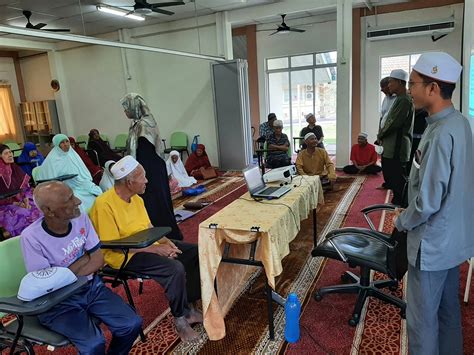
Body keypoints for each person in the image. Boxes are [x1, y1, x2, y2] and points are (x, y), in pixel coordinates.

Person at [393, 52, 473, 355]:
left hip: (432, 243)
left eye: (413, 84)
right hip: (454, 241)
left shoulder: (440, 134)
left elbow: (427, 202)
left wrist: (401, 222)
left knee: (422, 321)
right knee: (448, 312)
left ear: (433, 88)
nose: (409, 90)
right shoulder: (460, 123)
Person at [20, 181, 142, 354]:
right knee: (94, 344)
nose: (77, 201)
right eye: (69, 199)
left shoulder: (80, 217)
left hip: (91, 288)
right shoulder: (31, 238)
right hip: (59, 303)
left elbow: (98, 259)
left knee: (131, 323)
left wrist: (63, 273)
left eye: (73, 195)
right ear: (49, 211)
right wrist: (85, 258)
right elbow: (47, 286)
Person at [89, 156, 202, 342]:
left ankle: (189, 307)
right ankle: (180, 318)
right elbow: (113, 247)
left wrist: (166, 242)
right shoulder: (104, 205)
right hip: (123, 255)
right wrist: (156, 250)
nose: (147, 181)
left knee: (192, 252)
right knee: (174, 268)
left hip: (145, 245)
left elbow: (149, 228)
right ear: (129, 181)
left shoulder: (136, 199)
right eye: (143, 177)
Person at [120, 93, 182, 240]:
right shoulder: (139, 122)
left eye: (126, 108)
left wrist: (138, 174)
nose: (125, 112)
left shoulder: (143, 125)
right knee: (158, 201)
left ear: (134, 107)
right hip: (151, 168)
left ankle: (162, 234)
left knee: (154, 202)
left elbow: (145, 151)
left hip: (149, 170)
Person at [36, 134, 102, 212]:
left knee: (96, 190)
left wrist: (84, 182)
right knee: (78, 197)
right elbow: (49, 180)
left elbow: (83, 173)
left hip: (79, 183)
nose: (66, 144)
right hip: (64, 187)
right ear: (57, 145)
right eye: (62, 142)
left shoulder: (73, 155)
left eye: (67, 141)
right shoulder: (52, 159)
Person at [376, 69, 414, 205]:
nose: (389, 85)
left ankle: (402, 202)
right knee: (391, 173)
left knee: (398, 176)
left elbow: (393, 123)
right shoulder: (399, 99)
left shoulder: (404, 100)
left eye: (391, 82)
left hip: (397, 146)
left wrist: (380, 135)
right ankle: (398, 199)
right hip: (390, 145)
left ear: (399, 82)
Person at [0, 144, 41, 237]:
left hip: (20, 200)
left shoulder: (14, 168)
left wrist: (25, 199)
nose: (10, 155)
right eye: (6, 153)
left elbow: (25, 188)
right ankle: (28, 240)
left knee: (40, 206)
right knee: (25, 214)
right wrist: (16, 203)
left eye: (10, 152)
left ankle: (42, 238)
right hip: (5, 205)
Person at [376, 77, 396, 189]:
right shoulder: (385, 99)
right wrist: (379, 134)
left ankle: (394, 184)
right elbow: (382, 117)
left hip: (392, 135)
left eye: (383, 87)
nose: (381, 90)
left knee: (391, 161)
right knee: (384, 160)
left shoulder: (398, 99)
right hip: (383, 134)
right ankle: (387, 182)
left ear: (389, 86)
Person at [407, 108, 428, 175]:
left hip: (419, 140)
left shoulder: (425, 112)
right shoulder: (411, 110)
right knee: (410, 160)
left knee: (415, 159)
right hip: (411, 138)